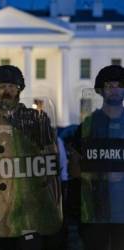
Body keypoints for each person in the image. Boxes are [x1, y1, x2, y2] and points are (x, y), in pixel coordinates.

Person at [0, 65, 63, 250]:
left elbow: (52, 164)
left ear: (20, 90)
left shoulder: (37, 120)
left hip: (32, 206)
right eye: (2, 86)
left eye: (12, 86)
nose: (7, 91)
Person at [68, 65, 124, 250]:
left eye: (119, 84)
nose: (115, 89)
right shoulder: (88, 125)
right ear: (101, 90)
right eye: (109, 85)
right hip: (95, 210)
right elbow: (74, 171)